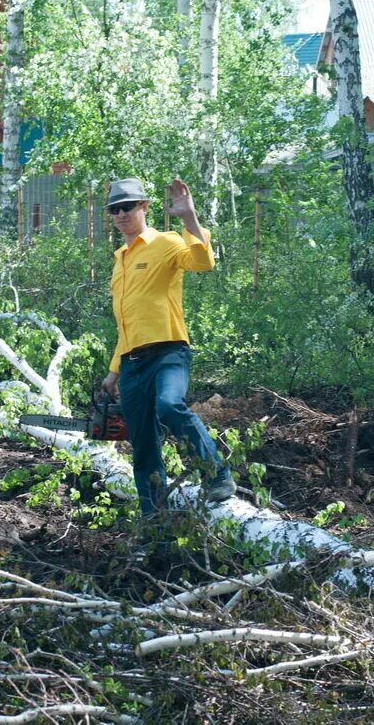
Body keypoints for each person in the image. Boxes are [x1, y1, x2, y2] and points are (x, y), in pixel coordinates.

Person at [99, 176, 236, 523]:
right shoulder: (120, 260)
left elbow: (204, 262)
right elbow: (126, 324)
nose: (120, 214)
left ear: (144, 207)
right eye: (115, 209)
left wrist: (190, 218)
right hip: (131, 363)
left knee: (169, 405)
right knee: (143, 447)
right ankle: (154, 521)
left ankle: (217, 473)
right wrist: (114, 372)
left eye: (127, 207)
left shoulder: (166, 242)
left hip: (168, 352)